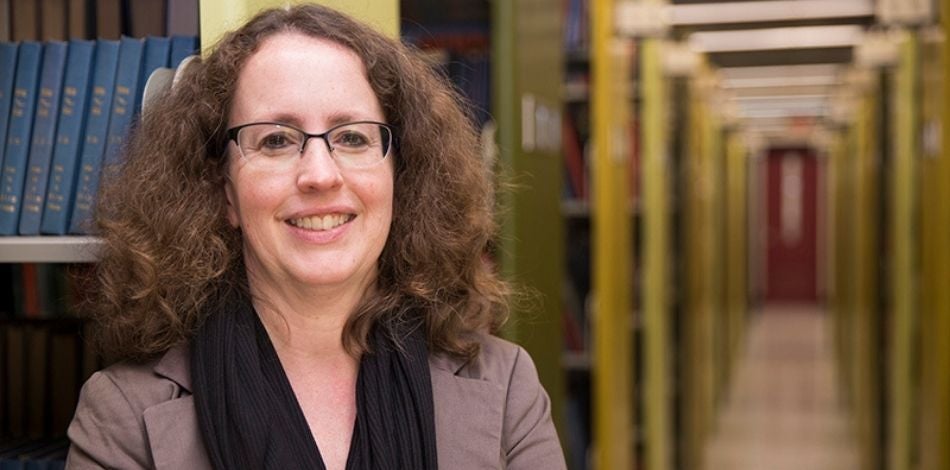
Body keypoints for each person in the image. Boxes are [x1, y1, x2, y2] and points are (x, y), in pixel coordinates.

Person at [65, 3, 566, 470]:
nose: (320, 175)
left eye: (352, 137)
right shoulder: (122, 415)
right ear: (224, 193)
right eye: (276, 140)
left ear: (401, 177)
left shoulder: (506, 388)